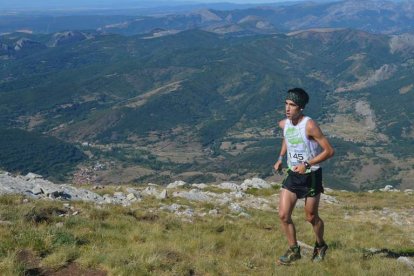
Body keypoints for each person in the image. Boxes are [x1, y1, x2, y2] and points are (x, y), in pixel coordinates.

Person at [274, 88, 334, 265]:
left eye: (292, 105)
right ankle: (294, 250)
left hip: (311, 175)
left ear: (300, 108)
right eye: (286, 104)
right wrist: (280, 158)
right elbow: (287, 138)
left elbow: (329, 151)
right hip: (293, 174)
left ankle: (321, 245)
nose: (287, 108)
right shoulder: (284, 124)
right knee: (284, 215)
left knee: (310, 217)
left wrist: (307, 164)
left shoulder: (310, 125)